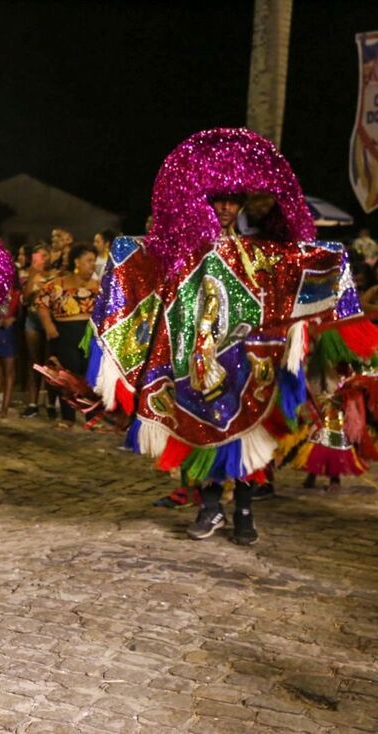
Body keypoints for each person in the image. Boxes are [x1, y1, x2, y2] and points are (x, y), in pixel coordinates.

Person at [86, 128, 378, 547]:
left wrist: (331, 257)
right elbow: (147, 260)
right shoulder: (186, 251)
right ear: (204, 201)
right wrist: (123, 252)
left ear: (242, 204)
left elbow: (302, 263)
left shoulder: (259, 252)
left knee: (248, 436)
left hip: (247, 358)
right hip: (196, 358)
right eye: (218, 199)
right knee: (199, 433)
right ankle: (209, 508)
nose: (224, 207)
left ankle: (243, 508)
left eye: (232, 199)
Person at [35, 243, 99, 428]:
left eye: (94, 261)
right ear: (77, 261)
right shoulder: (57, 284)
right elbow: (41, 303)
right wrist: (48, 326)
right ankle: (68, 417)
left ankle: (91, 417)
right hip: (65, 334)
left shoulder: (99, 286)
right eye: (89, 261)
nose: (92, 265)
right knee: (66, 376)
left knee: (90, 376)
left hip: (89, 334)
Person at [20, 242, 54, 417]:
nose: (41, 260)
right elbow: (25, 299)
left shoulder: (56, 275)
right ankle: (32, 403)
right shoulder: (30, 274)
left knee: (50, 363)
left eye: (44, 256)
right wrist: (33, 278)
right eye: (37, 257)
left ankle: (50, 403)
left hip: (49, 320)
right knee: (34, 362)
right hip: (33, 320)